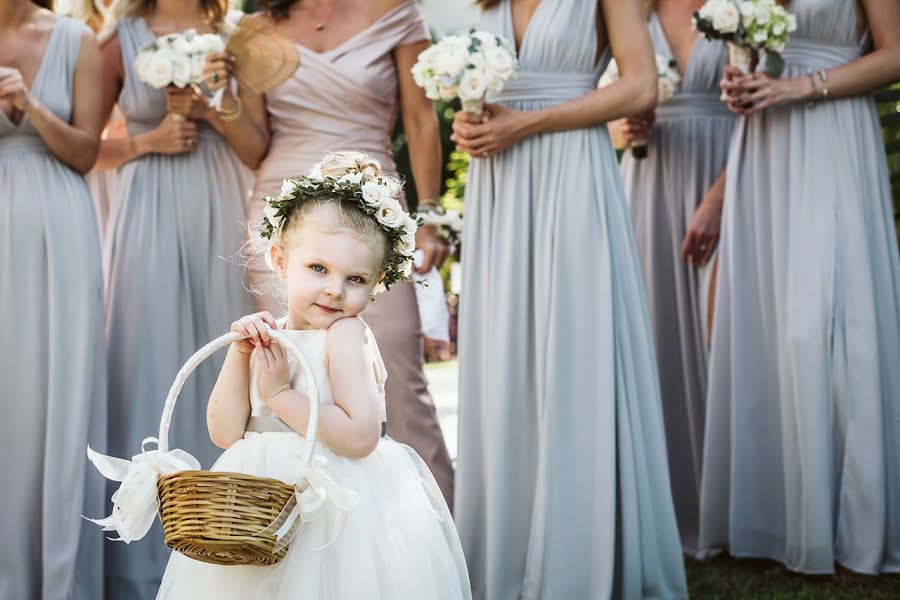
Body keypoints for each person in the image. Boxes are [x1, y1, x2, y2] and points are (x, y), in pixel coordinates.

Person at [156, 151, 471, 599]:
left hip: (334, 508)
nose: (334, 289)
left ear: (378, 280)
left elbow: (361, 436)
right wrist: (241, 353)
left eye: (355, 279)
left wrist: (282, 394)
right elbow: (225, 432)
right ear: (280, 260)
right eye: (318, 268)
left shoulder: (345, 336)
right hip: (259, 508)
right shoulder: (269, 336)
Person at [451, 0, 687, 597]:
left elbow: (640, 86)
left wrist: (525, 123)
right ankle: (506, 552)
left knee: (577, 353)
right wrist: (470, 120)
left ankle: (580, 553)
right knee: (506, 359)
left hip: (570, 172)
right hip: (499, 182)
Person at [203, 0, 456, 508]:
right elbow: (254, 147)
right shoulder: (254, 30)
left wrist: (428, 214)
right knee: (286, 375)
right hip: (288, 214)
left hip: (369, 223)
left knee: (400, 384)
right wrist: (221, 97)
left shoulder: (396, 12)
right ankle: (298, 543)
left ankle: (430, 534)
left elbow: (421, 119)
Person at [700, 0, 900, 574]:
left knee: (822, 322)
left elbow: (893, 54)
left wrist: (800, 87)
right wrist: (742, 82)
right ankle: (777, 521)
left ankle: (847, 526)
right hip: (764, 144)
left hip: (832, 131)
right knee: (766, 323)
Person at [96, 0, 255, 596]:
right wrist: (148, 141)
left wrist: (213, 110)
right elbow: (82, 150)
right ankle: (143, 556)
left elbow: (256, 146)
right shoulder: (120, 37)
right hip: (145, 209)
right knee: (147, 355)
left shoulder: (235, 34)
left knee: (222, 355)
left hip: (218, 203)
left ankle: (230, 531)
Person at [608, 0, 736, 555]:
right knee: (654, 336)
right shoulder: (625, 11)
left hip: (731, 167)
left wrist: (718, 201)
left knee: (729, 337)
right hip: (647, 178)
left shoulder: (743, 7)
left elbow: (766, 104)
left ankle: (735, 506)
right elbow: (606, 106)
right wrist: (619, 127)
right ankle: (670, 506)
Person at [0, 1, 107, 597]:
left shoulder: (75, 40)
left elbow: (87, 153)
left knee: (56, 393)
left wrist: (30, 107)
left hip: (58, 226)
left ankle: (58, 575)